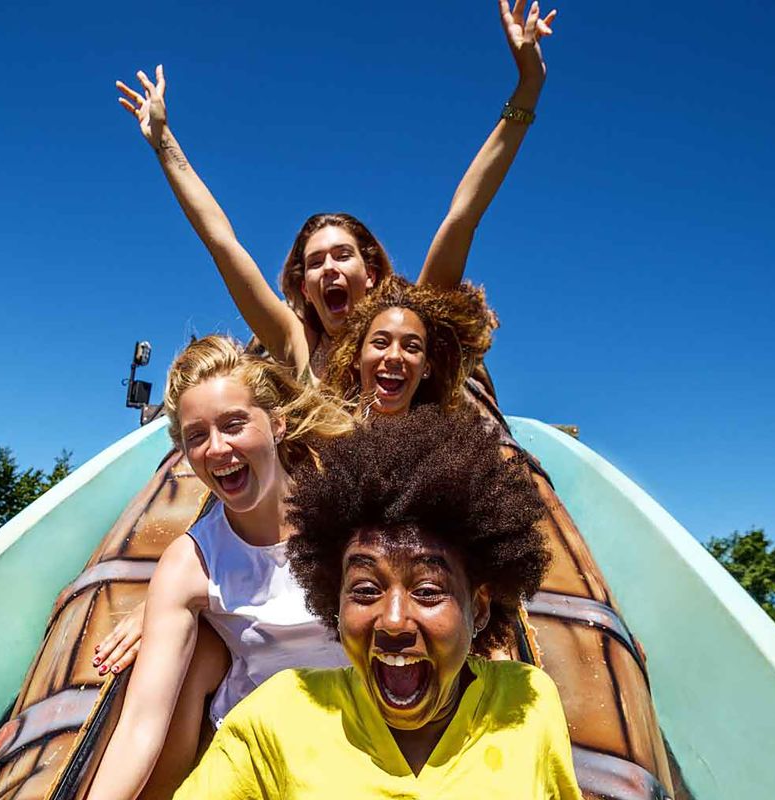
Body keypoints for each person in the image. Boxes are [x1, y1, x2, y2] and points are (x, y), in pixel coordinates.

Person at [113, 0, 556, 381]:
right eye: (315, 262)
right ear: (304, 289)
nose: (328, 268)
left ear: (373, 273)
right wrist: (164, 142)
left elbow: (464, 214)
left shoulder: (411, 325)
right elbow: (221, 242)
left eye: (343, 255)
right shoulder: (293, 345)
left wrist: (528, 87)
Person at [174, 407, 580, 799]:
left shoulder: (528, 704)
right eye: (366, 590)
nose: (393, 620)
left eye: (427, 591)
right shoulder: (275, 719)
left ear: (481, 607)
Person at [87, 336, 356, 800]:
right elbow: (140, 726)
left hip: (363, 737)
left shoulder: (347, 514)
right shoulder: (190, 564)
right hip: (260, 755)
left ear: (277, 424)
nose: (217, 448)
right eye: (197, 436)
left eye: (234, 424)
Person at [322, 277, 497, 418]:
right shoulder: (319, 441)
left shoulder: (449, 452)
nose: (395, 356)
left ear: (426, 368)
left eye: (411, 347)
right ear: (357, 358)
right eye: (381, 343)